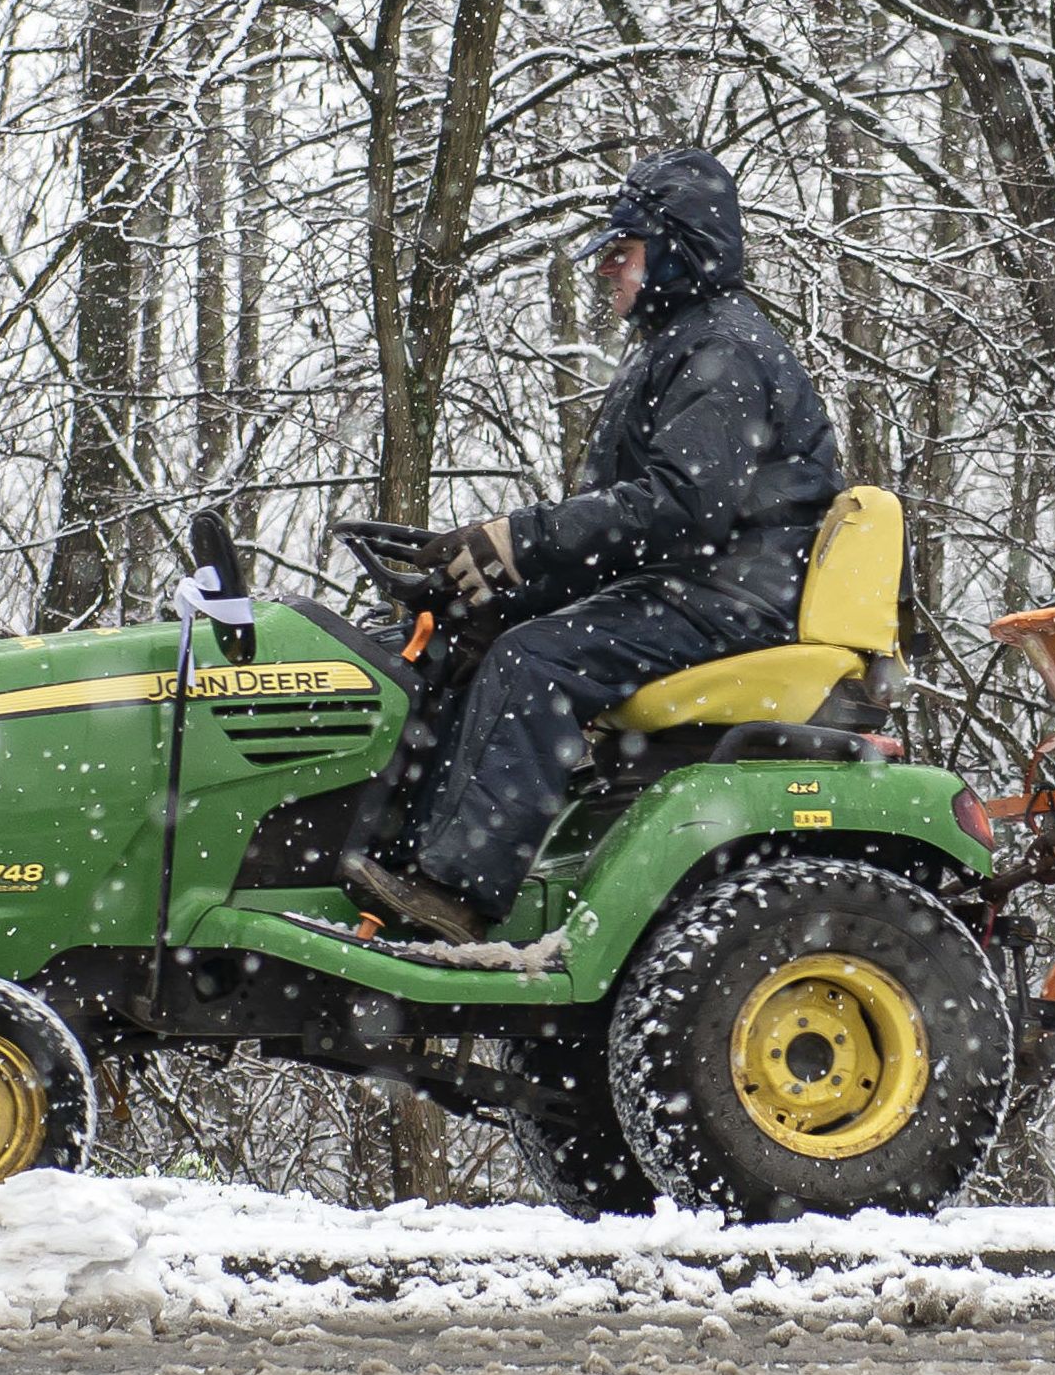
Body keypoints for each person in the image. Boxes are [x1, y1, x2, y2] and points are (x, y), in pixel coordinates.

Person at [346, 146, 845, 941]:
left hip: (733, 599)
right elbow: (627, 522)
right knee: (470, 639)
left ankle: (455, 894)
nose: (607, 270)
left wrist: (522, 539)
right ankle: (393, 869)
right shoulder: (679, 343)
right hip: (692, 584)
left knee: (536, 659)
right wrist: (502, 584)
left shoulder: (723, 351)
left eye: (625, 251)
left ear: (680, 250)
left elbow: (680, 508)